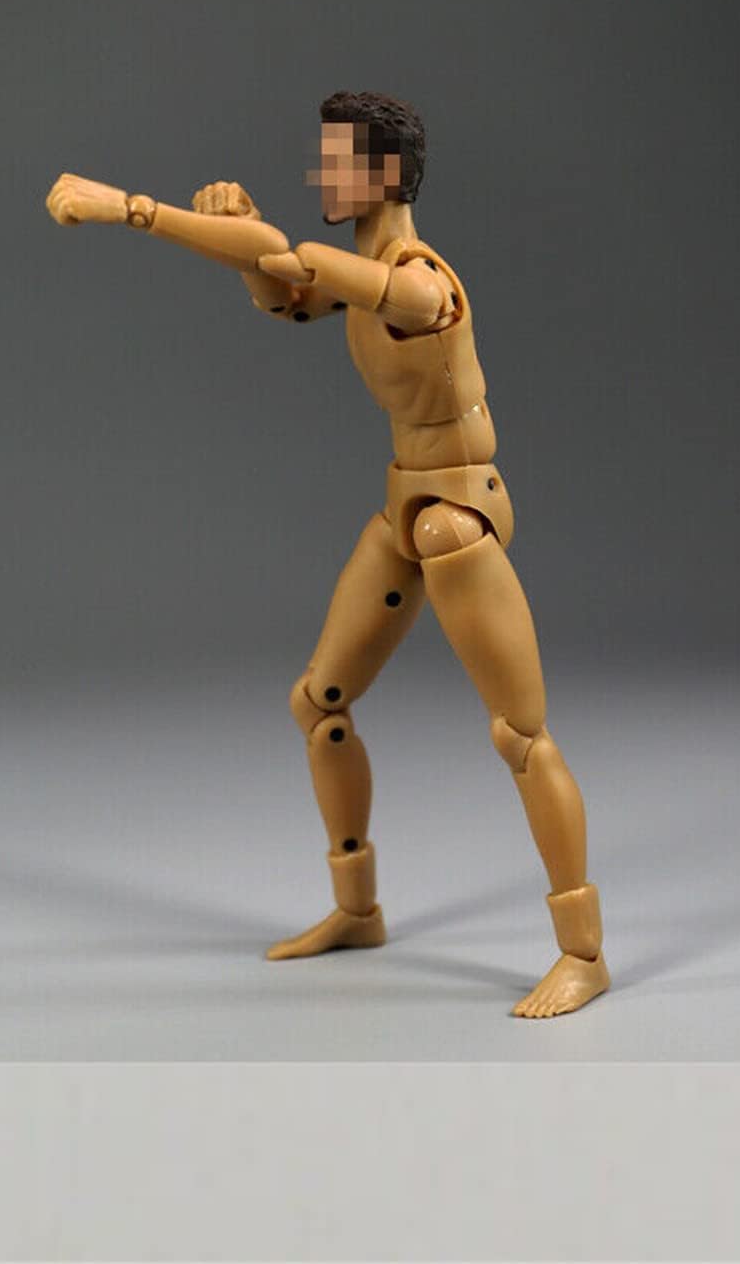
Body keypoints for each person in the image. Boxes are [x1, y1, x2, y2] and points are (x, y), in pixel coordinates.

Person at [46, 89, 610, 1017]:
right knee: (320, 704)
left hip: (459, 517)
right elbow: (285, 293)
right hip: (404, 509)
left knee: (520, 734)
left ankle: (583, 952)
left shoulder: (420, 280)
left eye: (336, 159)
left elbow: (294, 262)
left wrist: (132, 209)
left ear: (383, 174)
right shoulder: (361, 272)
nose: (320, 174)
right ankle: (358, 910)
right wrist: (241, 238)